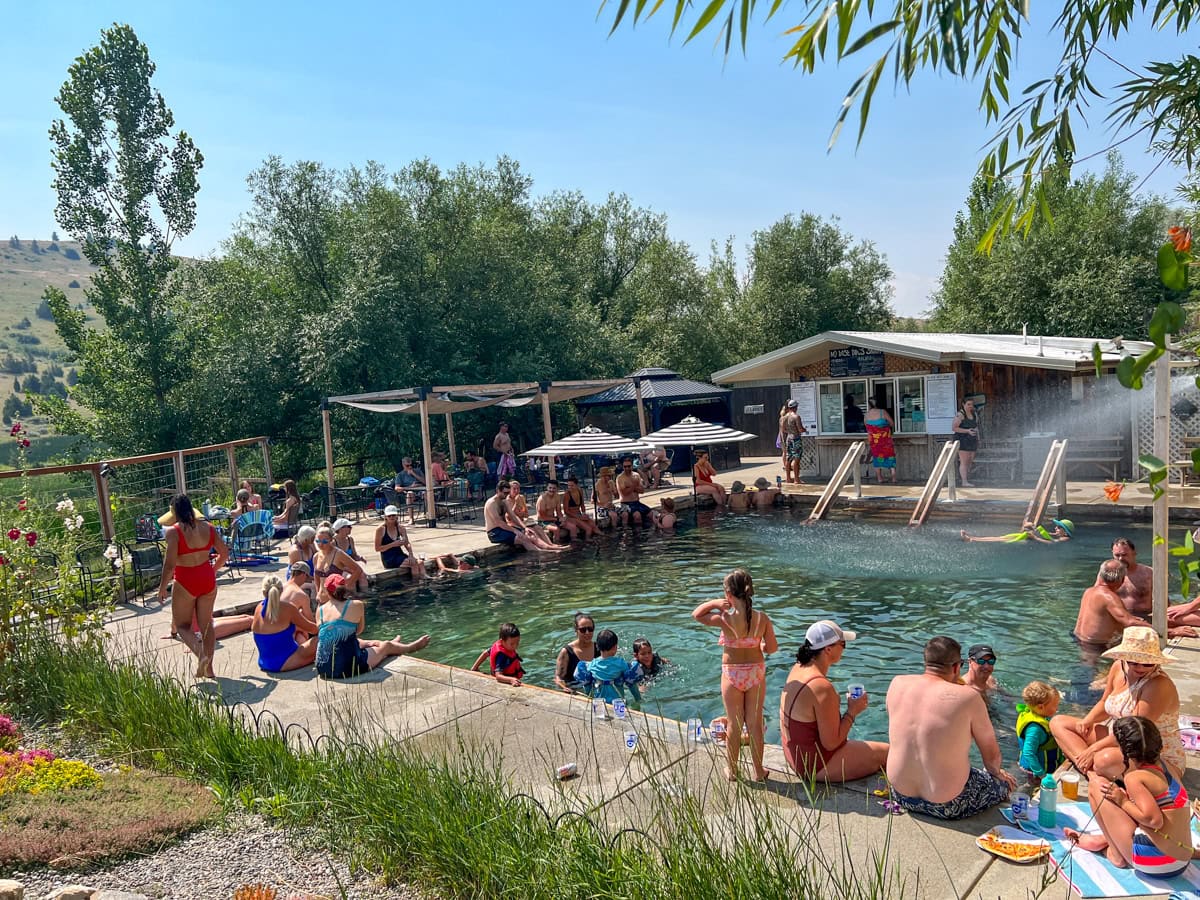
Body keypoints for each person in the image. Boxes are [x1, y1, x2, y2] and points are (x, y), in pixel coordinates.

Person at [885, 636, 1016, 819]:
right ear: (956, 666)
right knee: (1003, 784)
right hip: (947, 805)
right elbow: (992, 758)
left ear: (926, 662)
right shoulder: (968, 697)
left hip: (901, 795)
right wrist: (999, 775)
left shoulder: (897, 683)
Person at [1063, 716, 1194, 877]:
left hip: (1155, 862)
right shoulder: (1168, 767)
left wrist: (1122, 801)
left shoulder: (1135, 778)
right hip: (1181, 862)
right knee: (1129, 802)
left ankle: (1114, 854)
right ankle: (1106, 841)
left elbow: (1154, 820)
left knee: (1096, 785)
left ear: (1123, 751)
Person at [1049, 626, 1185, 776]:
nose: (1140, 666)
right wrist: (1087, 720)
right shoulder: (1118, 667)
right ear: (1125, 657)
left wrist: (1094, 748)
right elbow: (1104, 702)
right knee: (1058, 722)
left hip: (1150, 752)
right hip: (1119, 739)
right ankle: (1089, 771)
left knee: (1102, 760)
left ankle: (1091, 770)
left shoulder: (1158, 685)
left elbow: (1133, 732)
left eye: (1148, 663)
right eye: (1133, 661)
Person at [692, 569, 778, 782]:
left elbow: (697, 615)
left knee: (734, 724)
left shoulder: (724, 618)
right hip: (756, 672)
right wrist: (761, 645)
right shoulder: (762, 619)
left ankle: (732, 770)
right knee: (755, 724)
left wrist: (714, 602)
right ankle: (759, 771)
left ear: (728, 594)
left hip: (732, 674)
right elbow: (772, 648)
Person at [780, 620, 888, 783]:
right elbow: (831, 743)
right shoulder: (821, 687)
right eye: (842, 644)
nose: (844, 648)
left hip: (795, 757)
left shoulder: (798, 668)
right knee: (890, 754)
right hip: (815, 766)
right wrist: (852, 711)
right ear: (828, 649)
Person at [158, 493, 229, 679]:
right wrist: (213, 570)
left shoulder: (173, 532)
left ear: (174, 511)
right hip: (206, 578)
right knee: (207, 626)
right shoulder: (208, 527)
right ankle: (210, 669)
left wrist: (162, 588)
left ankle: (201, 655)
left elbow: (169, 564)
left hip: (185, 580)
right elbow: (224, 553)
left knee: (182, 626)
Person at [314, 575, 430, 679]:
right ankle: (409, 647)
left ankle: (384, 644)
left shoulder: (320, 610)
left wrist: (367, 643)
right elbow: (359, 630)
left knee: (357, 640)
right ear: (345, 589)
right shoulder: (356, 605)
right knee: (386, 646)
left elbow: (333, 637)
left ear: (326, 591)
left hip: (323, 669)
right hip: (347, 668)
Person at [1105, 537, 1198, 637]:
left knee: (1186, 615)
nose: (1120, 559)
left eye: (1124, 555)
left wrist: (1170, 623)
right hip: (1121, 619)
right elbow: (1098, 596)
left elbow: (1164, 604)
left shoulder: (1149, 573)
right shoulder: (1108, 574)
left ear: (1134, 553)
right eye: (1117, 555)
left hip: (1147, 618)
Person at [252, 574, 319, 673]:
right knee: (323, 637)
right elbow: (314, 629)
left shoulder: (258, 608)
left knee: (299, 634)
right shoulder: (288, 608)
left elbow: (273, 630)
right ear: (281, 590)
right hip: (286, 661)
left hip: (264, 663)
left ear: (263, 592)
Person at [1075, 560, 1143, 654]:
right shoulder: (1109, 597)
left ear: (1101, 576)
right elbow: (1129, 622)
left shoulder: (1089, 591)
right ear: (1123, 580)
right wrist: (1160, 630)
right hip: (1095, 644)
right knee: (1089, 666)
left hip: (1079, 637)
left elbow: (1107, 618)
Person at [484, 482, 565, 552]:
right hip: (494, 532)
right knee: (523, 538)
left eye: (508, 493)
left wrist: (524, 528)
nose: (506, 495)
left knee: (529, 533)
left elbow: (513, 516)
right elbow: (499, 523)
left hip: (504, 529)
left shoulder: (504, 501)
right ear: (498, 491)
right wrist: (515, 531)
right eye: (505, 493)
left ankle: (549, 547)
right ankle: (540, 552)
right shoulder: (491, 503)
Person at [575, 629, 643, 705]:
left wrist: (588, 697)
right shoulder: (621, 663)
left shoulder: (591, 665)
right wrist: (638, 700)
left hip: (598, 702)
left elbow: (586, 685)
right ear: (615, 647)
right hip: (618, 702)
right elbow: (631, 683)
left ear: (597, 646)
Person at [1015, 681, 1061, 782]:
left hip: (1035, 769)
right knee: (1031, 788)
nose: (1057, 709)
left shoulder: (1034, 714)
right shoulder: (1035, 729)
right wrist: (1042, 775)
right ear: (1040, 707)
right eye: (1055, 706)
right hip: (1034, 772)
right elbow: (1028, 752)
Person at [374, 505, 427, 578]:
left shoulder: (400, 528)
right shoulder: (380, 529)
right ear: (385, 516)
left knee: (420, 562)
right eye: (389, 516)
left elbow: (407, 543)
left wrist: (411, 554)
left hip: (399, 554)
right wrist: (392, 544)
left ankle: (425, 578)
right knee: (414, 564)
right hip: (389, 557)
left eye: (393, 515)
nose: (391, 517)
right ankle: (417, 582)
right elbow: (377, 548)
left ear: (396, 516)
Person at [313, 524, 368, 593]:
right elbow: (317, 576)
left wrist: (346, 584)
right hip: (323, 597)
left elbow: (358, 570)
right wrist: (318, 592)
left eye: (324, 541)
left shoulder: (338, 554)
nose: (320, 544)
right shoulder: (316, 556)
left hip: (337, 597)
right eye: (318, 541)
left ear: (331, 540)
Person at [470, 622, 525, 687]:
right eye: (512, 644)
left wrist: (474, 667)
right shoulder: (502, 656)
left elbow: (485, 653)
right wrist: (511, 680)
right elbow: (498, 676)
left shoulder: (503, 647)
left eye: (517, 642)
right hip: (505, 683)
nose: (515, 646)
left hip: (510, 678)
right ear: (502, 641)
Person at [555, 612, 597, 692]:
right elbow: (558, 677)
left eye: (590, 629)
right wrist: (564, 688)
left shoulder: (598, 648)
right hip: (574, 691)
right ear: (576, 630)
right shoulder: (567, 652)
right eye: (583, 630)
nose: (587, 633)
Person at [864, 399, 898, 484]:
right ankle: (893, 477)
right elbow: (892, 423)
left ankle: (880, 478)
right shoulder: (883, 412)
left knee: (876, 458)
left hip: (875, 442)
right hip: (885, 440)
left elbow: (867, 428)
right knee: (890, 456)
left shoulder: (866, 415)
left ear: (869, 405)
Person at [960, 518, 1073, 543]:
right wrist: (1033, 527)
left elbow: (1051, 543)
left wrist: (1035, 537)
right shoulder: (1057, 534)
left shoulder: (1065, 538)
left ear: (1065, 530)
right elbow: (1047, 535)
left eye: (1058, 527)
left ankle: (972, 540)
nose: (1055, 528)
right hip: (1028, 538)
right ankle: (972, 538)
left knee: (1001, 540)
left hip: (1029, 539)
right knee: (1001, 537)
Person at [952, 398, 981, 486]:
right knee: (964, 461)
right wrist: (967, 431)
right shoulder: (960, 415)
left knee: (970, 460)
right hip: (962, 439)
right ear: (963, 405)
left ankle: (967, 479)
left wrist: (978, 438)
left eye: (971, 404)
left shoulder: (974, 414)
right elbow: (954, 428)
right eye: (968, 404)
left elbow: (976, 427)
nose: (970, 406)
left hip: (972, 439)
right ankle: (964, 482)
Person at [779, 398, 807, 485]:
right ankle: (796, 479)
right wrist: (804, 429)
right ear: (796, 407)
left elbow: (783, 429)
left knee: (789, 458)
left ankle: (788, 478)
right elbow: (800, 429)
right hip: (796, 439)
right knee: (796, 459)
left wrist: (790, 432)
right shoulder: (796, 417)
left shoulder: (784, 417)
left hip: (789, 439)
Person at [617, 456, 652, 525]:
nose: (627, 468)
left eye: (629, 466)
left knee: (651, 514)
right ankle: (637, 534)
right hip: (626, 503)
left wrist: (630, 487)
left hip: (636, 502)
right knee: (637, 515)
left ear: (632, 466)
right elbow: (624, 493)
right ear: (622, 467)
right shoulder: (620, 478)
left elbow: (642, 491)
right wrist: (634, 485)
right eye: (625, 467)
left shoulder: (636, 475)